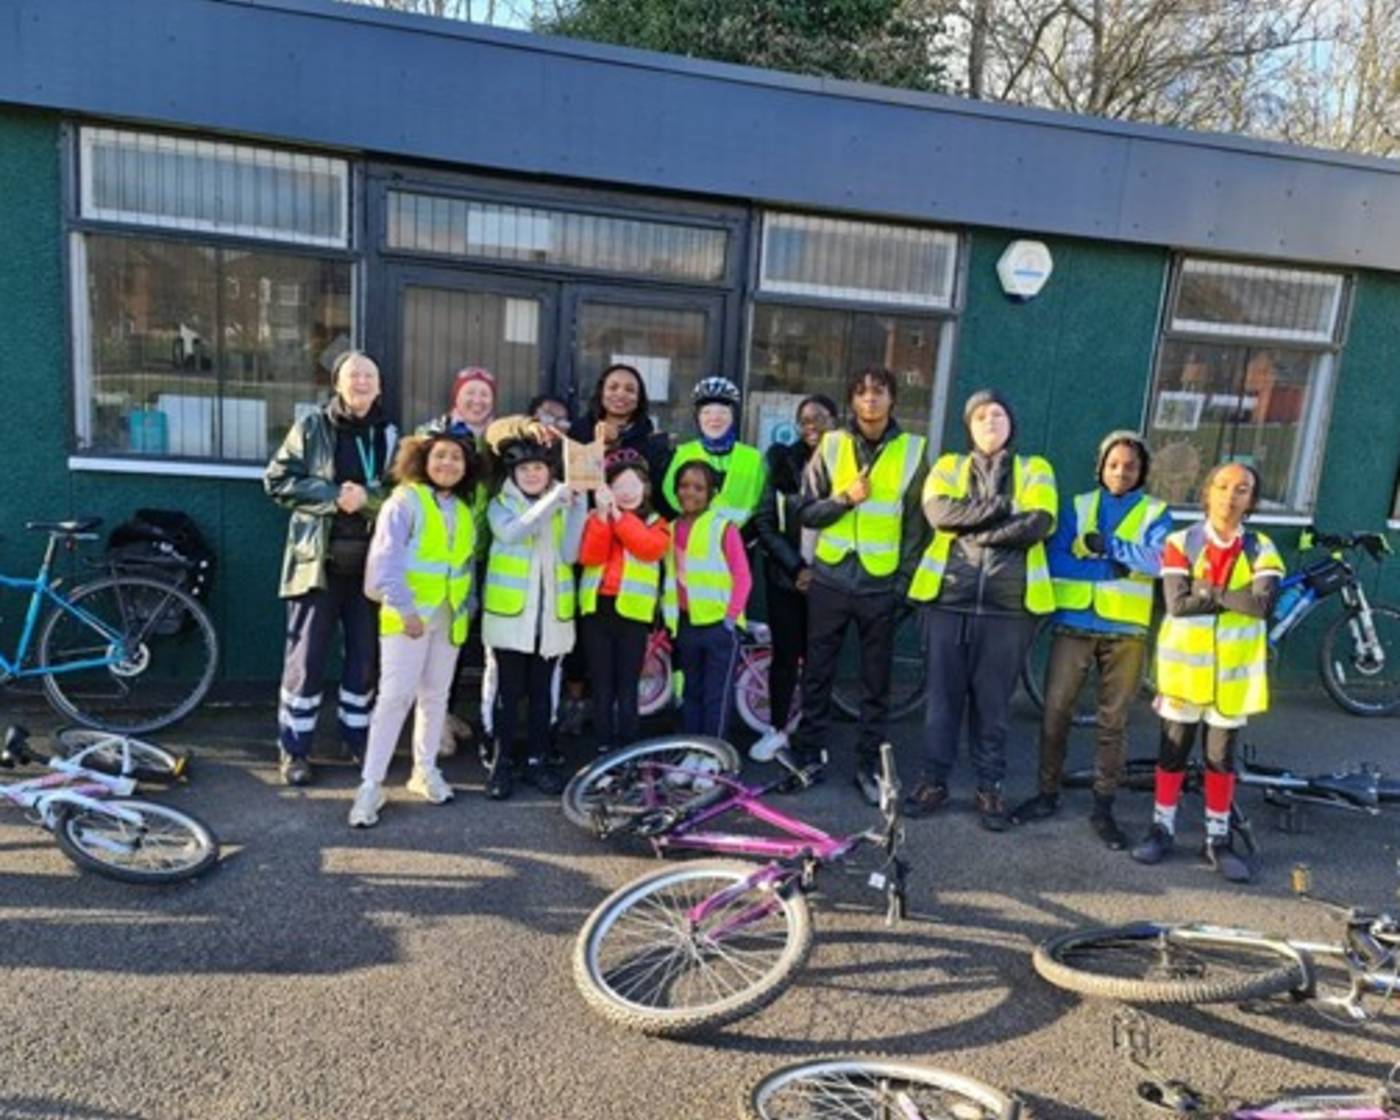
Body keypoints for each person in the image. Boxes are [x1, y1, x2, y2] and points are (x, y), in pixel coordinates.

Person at [1010, 431, 1171, 847]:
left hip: (1126, 632)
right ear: (1100, 467)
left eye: (1130, 466)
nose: (1121, 472)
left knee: (1112, 723)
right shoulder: (1078, 506)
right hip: (1074, 623)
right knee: (1055, 712)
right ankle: (1047, 794)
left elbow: (1158, 561)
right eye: (1113, 464)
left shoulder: (1156, 512)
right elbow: (1055, 557)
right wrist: (1108, 567)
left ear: (1142, 472)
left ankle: (1103, 807)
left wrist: (1109, 546)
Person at [906, 389, 1057, 830]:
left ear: (1011, 424)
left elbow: (1039, 522)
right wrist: (1005, 507)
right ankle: (933, 782)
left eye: (998, 414)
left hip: (1008, 609)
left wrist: (978, 532)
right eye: (980, 416)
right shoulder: (948, 466)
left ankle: (990, 788)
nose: (990, 421)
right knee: (941, 701)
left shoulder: (1035, 469)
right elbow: (939, 513)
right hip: (947, 601)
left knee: (993, 706)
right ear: (968, 427)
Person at [1130, 461, 1283, 883]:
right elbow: (1177, 603)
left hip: (1231, 678)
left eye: (1241, 489)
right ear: (1207, 492)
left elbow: (1262, 605)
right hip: (1184, 674)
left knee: (1220, 759)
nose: (1230, 496)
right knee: (1172, 753)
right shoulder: (1181, 541)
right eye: (1222, 486)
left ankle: (1217, 839)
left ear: (1252, 499)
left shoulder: (1261, 547)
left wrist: (1208, 590)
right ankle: (1162, 828)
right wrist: (1232, 595)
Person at [790, 368, 928, 803]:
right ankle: (808, 756)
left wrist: (902, 584)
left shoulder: (912, 451)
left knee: (876, 683)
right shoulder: (830, 445)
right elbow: (806, 512)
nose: (870, 399)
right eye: (861, 392)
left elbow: (916, 527)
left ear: (892, 400)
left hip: (879, 585)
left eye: (879, 392)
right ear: (852, 401)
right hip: (831, 579)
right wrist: (844, 499)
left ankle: (868, 766)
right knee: (816, 674)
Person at [265, 350, 397, 787]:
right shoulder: (311, 427)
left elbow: (404, 493)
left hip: (371, 569)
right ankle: (294, 749)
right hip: (316, 564)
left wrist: (370, 500)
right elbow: (277, 480)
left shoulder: (390, 435)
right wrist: (333, 494)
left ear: (379, 387)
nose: (361, 382)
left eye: (369, 376)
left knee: (364, 659)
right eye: (353, 375)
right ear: (337, 383)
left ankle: (356, 739)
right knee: (305, 661)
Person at [349, 428, 477, 827]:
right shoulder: (403, 501)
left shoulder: (463, 509)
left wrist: (465, 609)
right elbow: (384, 563)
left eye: (457, 458)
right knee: (395, 698)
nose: (448, 464)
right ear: (423, 459)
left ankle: (424, 770)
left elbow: (465, 567)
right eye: (440, 456)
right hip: (409, 618)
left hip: (447, 618)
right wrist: (405, 610)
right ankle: (370, 785)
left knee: (435, 697)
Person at [476, 417, 585, 799]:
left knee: (542, 697)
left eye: (540, 467)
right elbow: (513, 531)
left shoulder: (563, 502)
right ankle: (501, 762)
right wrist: (555, 501)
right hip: (509, 622)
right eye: (525, 468)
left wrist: (579, 505)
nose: (533, 474)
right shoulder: (499, 505)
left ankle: (538, 759)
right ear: (513, 472)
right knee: (508, 695)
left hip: (550, 622)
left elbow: (571, 552)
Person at [749, 394, 839, 761]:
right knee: (785, 658)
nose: (812, 425)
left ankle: (811, 737)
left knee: (820, 662)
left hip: (834, 580)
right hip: (787, 579)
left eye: (820, 417)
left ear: (836, 419)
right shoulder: (782, 461)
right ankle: (777, 728)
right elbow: (766, 523)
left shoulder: (849, 464)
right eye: (804, 419)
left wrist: (821, 571)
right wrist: (798, 569)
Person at [420, 367, 496, 756]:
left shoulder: (500, 439)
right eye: (471, 393)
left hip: (486, 556)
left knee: (466, 642)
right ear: (456, 397)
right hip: (445, 558)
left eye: (485, 394)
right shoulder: (435, 435)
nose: (478, 401)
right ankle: (435, 722)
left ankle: (446, 715)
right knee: (442, 637)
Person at [577, 449, 671, 752]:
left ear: (646, 488)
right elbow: (590, 555)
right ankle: (604, 744)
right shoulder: (595, 518)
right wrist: (603, 517)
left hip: (632, 614)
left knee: (628, 684)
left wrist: (618, 517)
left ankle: (629, 745)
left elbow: (648, 548)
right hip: (597, 611)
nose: (627, 492)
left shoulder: (657, 522)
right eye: (619, 485)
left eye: (635, 484)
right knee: (602, 683)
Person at [662, 461, 752, 737]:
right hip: (686, 624)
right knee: (691, 692)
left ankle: (714, 756)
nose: (691, 493)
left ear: (712, 493)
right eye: (685, 486)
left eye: (699, 488)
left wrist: (730, 617)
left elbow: (742, 576)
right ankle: (694, 749)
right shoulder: (670, 528)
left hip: (719, 625)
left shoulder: (723, 528)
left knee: (717, 695)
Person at [661, 377, 766, 528]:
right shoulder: (682, 454)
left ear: (733, 417)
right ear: (697, 418)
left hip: (741, 543)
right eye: (706, 412)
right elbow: (670, 499)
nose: (714, 418)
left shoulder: (753, 458)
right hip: (691, 541)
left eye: (723, 412)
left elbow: (762, 508)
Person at [570, 363, 672, 489]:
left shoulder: (652, 438)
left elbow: (655, 487)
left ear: (639, 398)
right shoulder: (579, 430)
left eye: (630, 390)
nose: (621, 394)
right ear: (601, 392)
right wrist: (600, 447)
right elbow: (575, 483)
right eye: (613, 388)